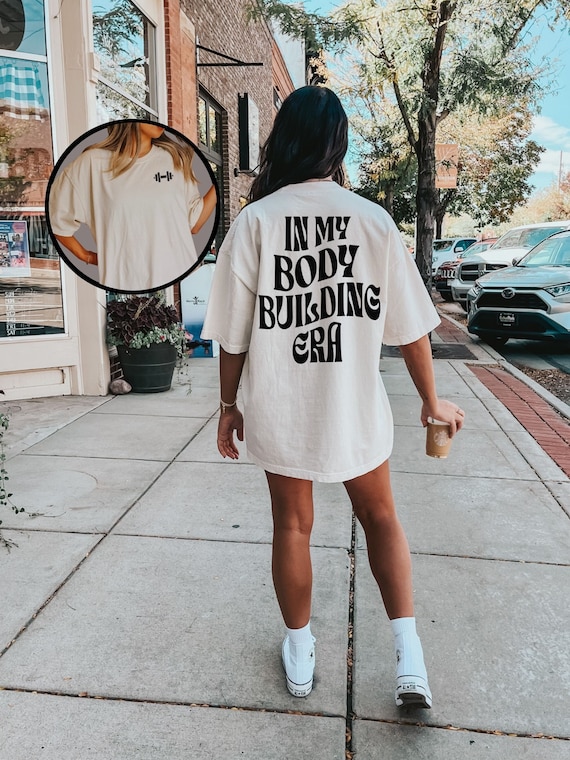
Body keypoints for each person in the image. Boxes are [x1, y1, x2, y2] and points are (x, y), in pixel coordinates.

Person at [201, 86, 465, 707]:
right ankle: (409, 660)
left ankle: (299, 653)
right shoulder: (373, 221)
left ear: (284, 140)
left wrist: (229, 407)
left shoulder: (256, 222)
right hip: (354, 409)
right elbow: (413, 329)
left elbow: (232, 337)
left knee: (292, 526)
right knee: (382, 519)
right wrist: (431, 401)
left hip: (281, 406)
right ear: (338, 145)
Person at [49, 122, 217, 292]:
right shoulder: (92, 163)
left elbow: (194, 224)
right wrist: (86, 256)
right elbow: (57, 219)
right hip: (125, 284)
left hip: (184, 279)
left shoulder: (175, 159)